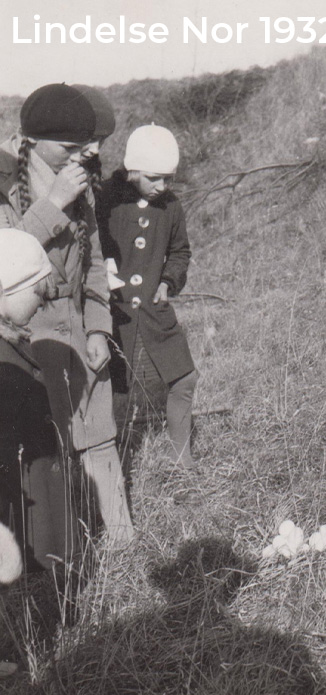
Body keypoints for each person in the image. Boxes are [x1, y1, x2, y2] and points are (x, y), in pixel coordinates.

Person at [0, 84, 132, 543]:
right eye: (70, 148)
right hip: (26, 340)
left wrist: (98, 328)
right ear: (31, 140)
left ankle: (122, 541)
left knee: (100, 439)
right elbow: (7, 262)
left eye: (85, 146)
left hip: (78, 331)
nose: (83, 155)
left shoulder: (78, 180)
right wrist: (52, 203)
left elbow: (93, 263)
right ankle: (59, 558)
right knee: (45, 452)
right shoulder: (4, 182)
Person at [98, 125, 200, 472]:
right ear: (133, 171)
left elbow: (180, 252)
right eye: (154, 178)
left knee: (184, 378)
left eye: (169, 178)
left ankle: (181, 460)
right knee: (110, 387)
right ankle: (109, 464)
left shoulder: (170, 206)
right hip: (113, 312)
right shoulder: (107, 198)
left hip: (155, 309)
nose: (162, 186)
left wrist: (169, 281)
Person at [0, 228, 82, 586]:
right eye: (37, 294)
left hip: (36, 481)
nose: (41, 305)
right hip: (16, 495)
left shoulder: (13, 338)